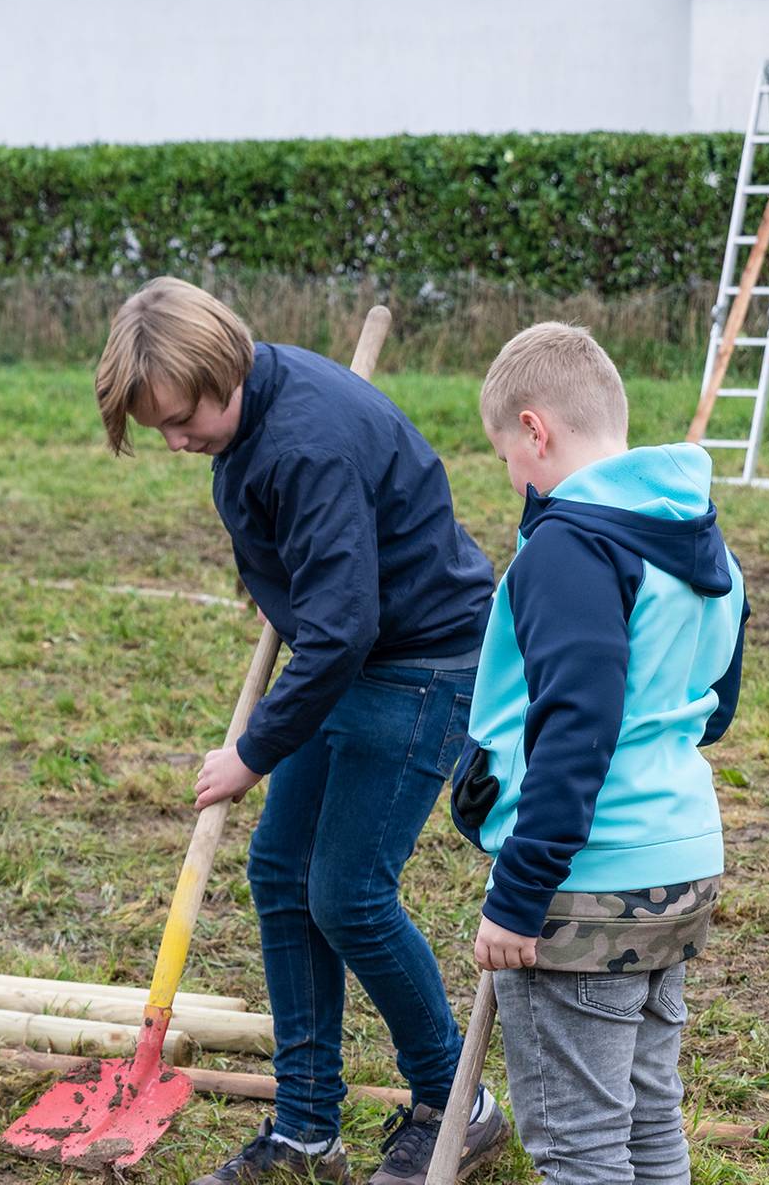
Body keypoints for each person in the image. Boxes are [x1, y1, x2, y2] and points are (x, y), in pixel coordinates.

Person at [93, 277, 510, 1185]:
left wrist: (251, 752)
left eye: (180, 420)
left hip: (425, 658)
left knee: (348, 892)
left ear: (222, 371)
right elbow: (324, 602)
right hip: (352, 647)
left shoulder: (308, 443)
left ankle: (455, 1101)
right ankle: (306, 1127)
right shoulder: (251, 417)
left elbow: (340, 627)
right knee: (280, 873)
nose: (174, 441)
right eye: (156, 427)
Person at [463, 323, 745, 1185]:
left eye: (507, 454)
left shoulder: (570, 550)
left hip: (586, 885)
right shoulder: (699, 540)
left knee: (580, 1145)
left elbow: (575, 736)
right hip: (683, 860)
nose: (513, 480)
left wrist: (517, 900)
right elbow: (717, 704)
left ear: (536, 429)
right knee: (649, 1112)